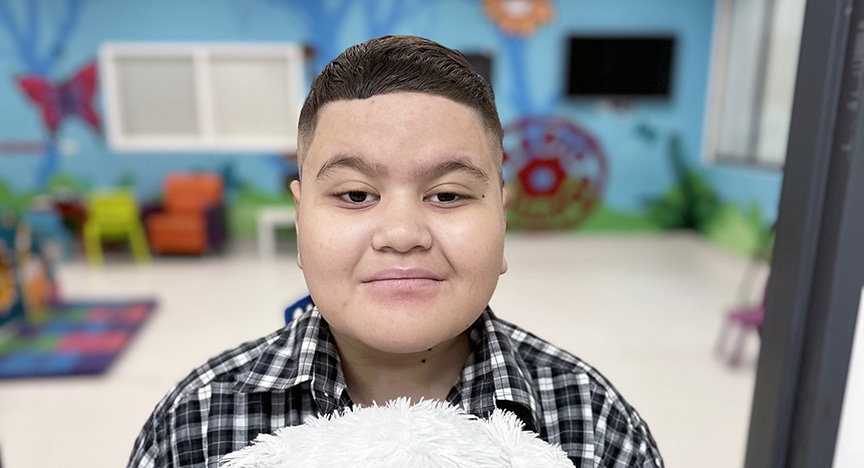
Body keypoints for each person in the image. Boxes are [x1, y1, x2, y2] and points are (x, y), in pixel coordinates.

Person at [127, 35, 664, 467]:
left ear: (501, 216)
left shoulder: (595, 428)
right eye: (356, 195)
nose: (402, 233)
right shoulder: (193, 424)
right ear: (299, 221)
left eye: (448, 194)